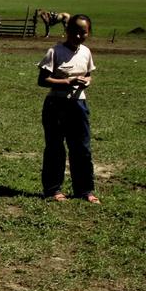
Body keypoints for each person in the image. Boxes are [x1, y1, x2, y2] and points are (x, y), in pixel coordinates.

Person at [38, 14, 99, 203]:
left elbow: (88, 74)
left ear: (88, 33)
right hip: (56, 105)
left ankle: (85, 190)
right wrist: (67, 81)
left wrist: (86, 82)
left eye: (83, 32)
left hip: (79, 105)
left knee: (81, 148)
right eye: (74, 32)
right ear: (66, 31)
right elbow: (42, 80)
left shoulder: (86, 52)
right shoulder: (55, 52)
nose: (78, 36)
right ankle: (53, 190)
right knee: (55, 147)